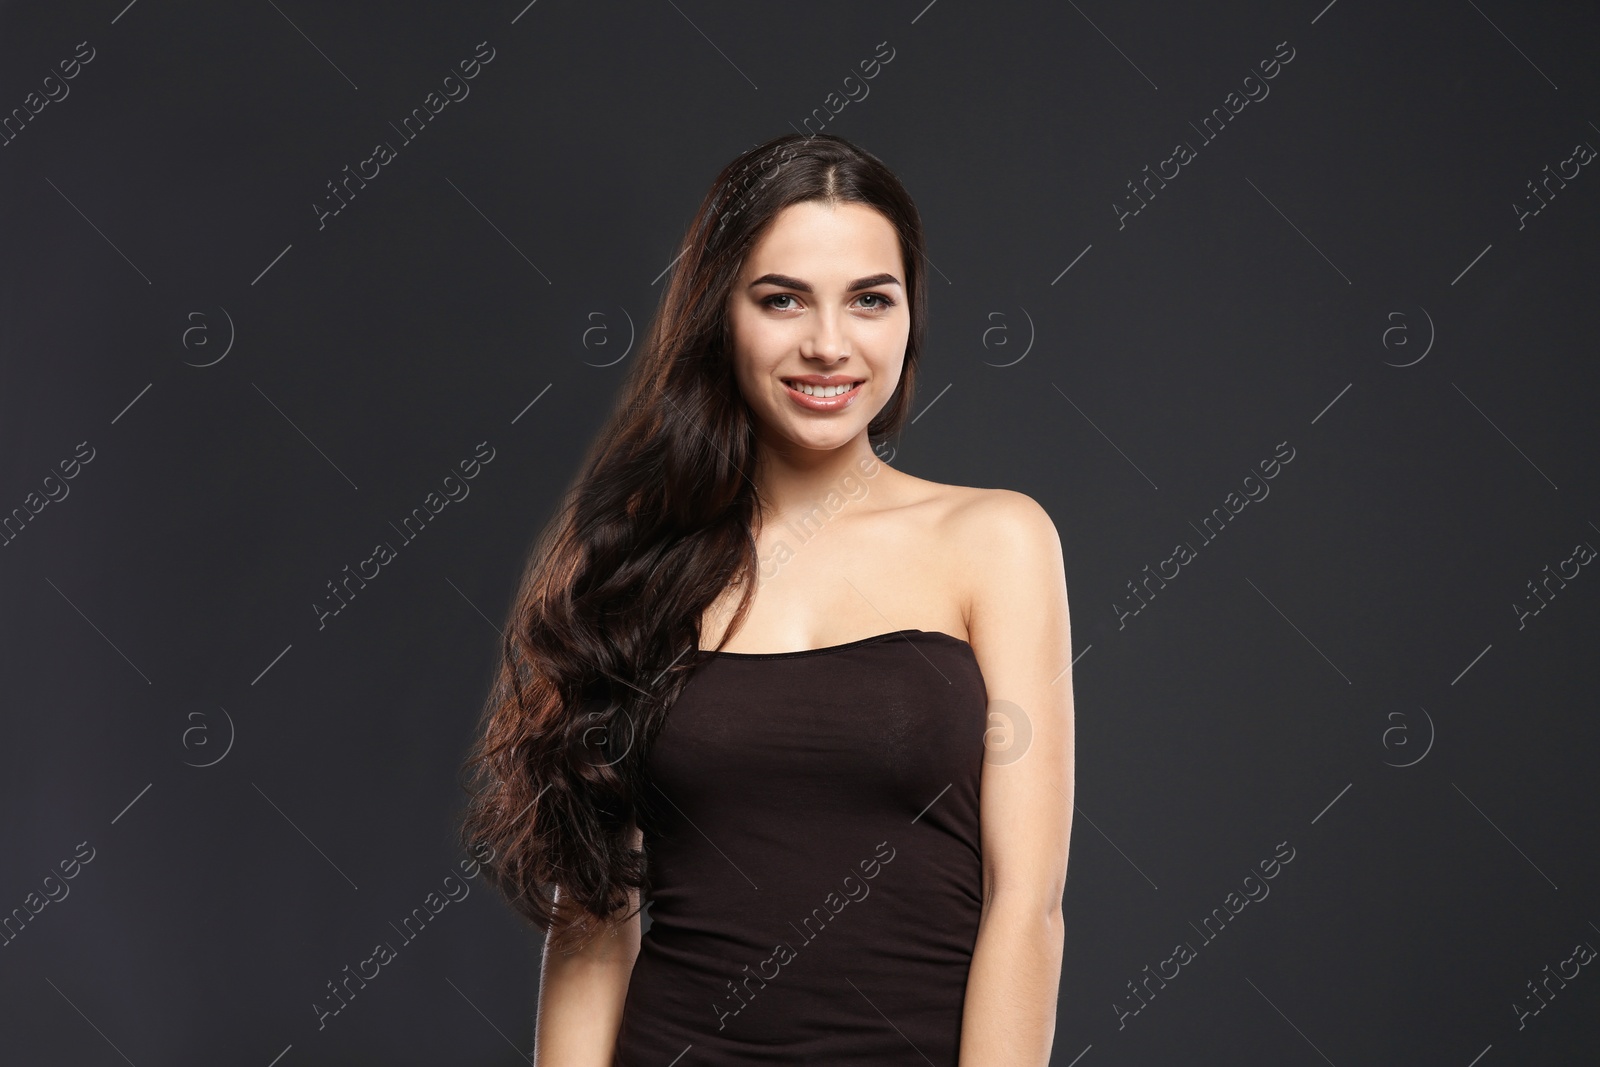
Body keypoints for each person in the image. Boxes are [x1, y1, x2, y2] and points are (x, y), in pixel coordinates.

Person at [457, 132, 1074, 1065]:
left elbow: (1026, 904)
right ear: (720, 316)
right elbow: (592, 918)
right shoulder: (631, 557)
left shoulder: (997, 540)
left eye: (871, 299)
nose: (829, 344)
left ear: (910, 319)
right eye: (782, 299)